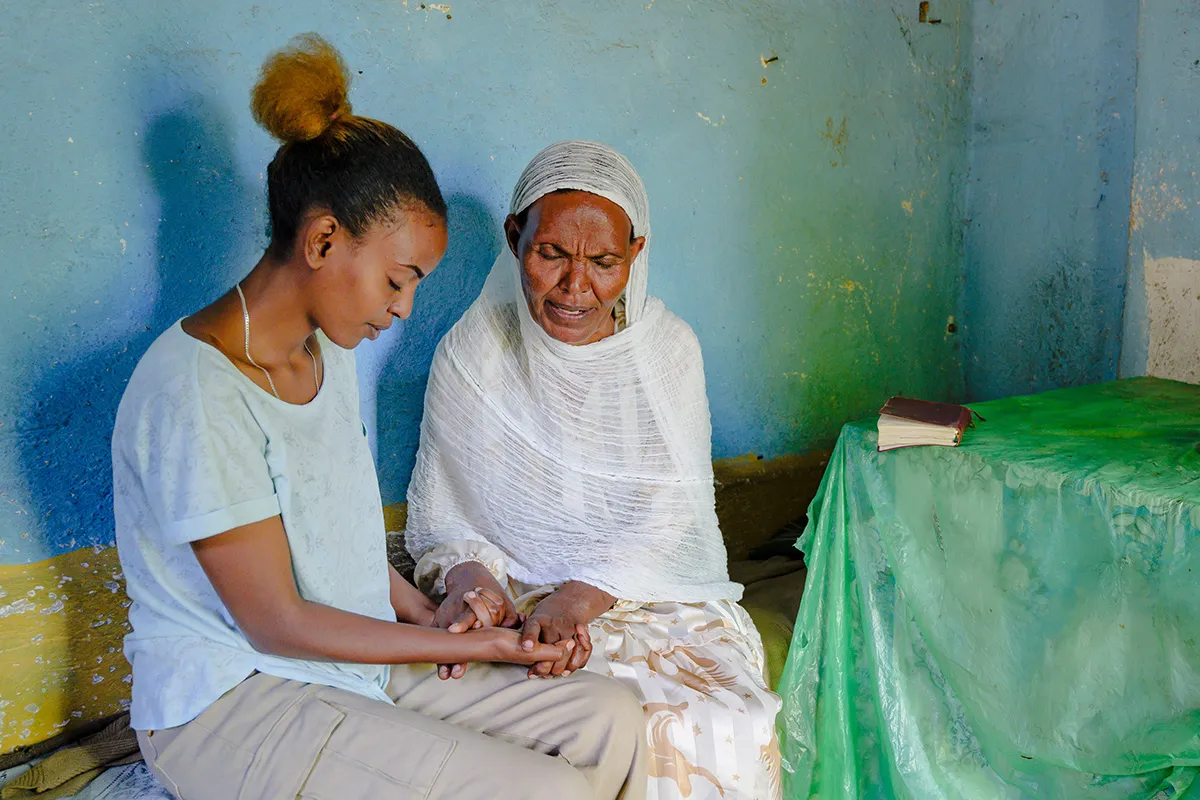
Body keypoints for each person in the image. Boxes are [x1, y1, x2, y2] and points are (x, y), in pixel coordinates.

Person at [112, 37, 646, 800]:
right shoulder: (196, 390)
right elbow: (275, 622)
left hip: (340, 661)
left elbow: (337, 541)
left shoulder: (323, 353)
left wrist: (438, 615)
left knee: (611, 717)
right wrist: (492, 642)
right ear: (324, 239)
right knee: (544, 789)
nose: (403, 309)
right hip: (233, 700)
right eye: (399, 281)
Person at [406, 140, 782, 800]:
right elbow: (444, 516)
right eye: (551, 254)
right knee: (541, 715)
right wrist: (470, 582)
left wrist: (579, 597)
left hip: (643, 590)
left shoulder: (668, 354)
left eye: (603, 262)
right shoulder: (474, 352)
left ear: (634, 256)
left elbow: (670, 517)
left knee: (721, 720)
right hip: (517, 592)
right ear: (515, 237)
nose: (576, 287)